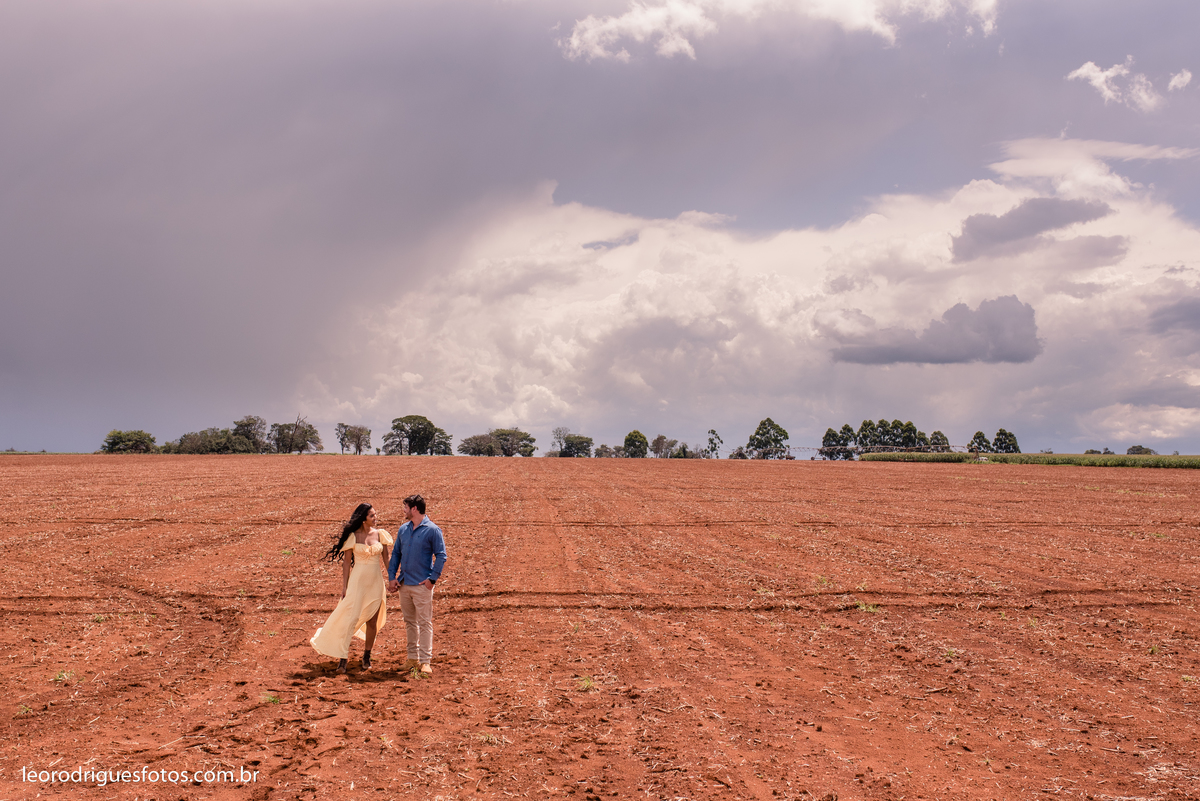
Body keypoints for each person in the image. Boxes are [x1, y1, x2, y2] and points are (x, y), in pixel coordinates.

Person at [311, 503, 393, 674]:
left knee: (372, 621)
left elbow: (386, 560)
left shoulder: (381, 535)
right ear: (364, 519)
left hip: (375, 583)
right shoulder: (353, 537)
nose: (376, 518)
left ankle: (367, 656)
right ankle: (343, 658)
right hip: (357, 584)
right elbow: (346, 563)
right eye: (372, 515)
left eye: (375, 514)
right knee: (350, 619)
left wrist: (392, 579)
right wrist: (344, 587)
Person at [387, 494, 447, 676]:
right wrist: (392, 577)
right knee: (410, 623)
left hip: (422, 586)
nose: (403, 510)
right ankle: (412, 658)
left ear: (414, 509)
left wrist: (432, 579)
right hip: (404, 584)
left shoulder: (432, 530)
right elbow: (396, 554)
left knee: (424, 623)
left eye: (405, 507)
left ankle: (425, 661)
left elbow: (441, 555)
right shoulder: (403, 529)